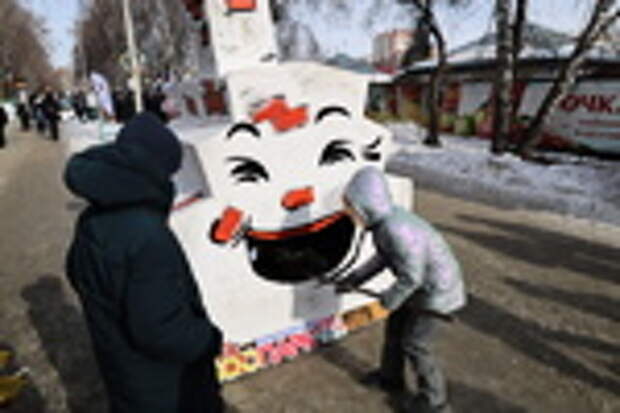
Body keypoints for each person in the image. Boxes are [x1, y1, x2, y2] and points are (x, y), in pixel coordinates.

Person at [64, 112, 224, 413]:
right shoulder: (147, 236)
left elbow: (77, 272)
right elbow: (161, 331)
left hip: (123, 369)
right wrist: (209, 340)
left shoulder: (94, 216)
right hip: (166, 388)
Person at [335, 166, 466, 413]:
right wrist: (354, 279)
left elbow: (412, 276)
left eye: (350, 208)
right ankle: (390, 378)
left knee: (417, 344)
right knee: (395, 329)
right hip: (418, 287)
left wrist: (389, 300)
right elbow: (384, 258)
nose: (349, 214)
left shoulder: (395, 229)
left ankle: (434, 402)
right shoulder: (384, 224)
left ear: (365, 204)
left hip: (436, 292)